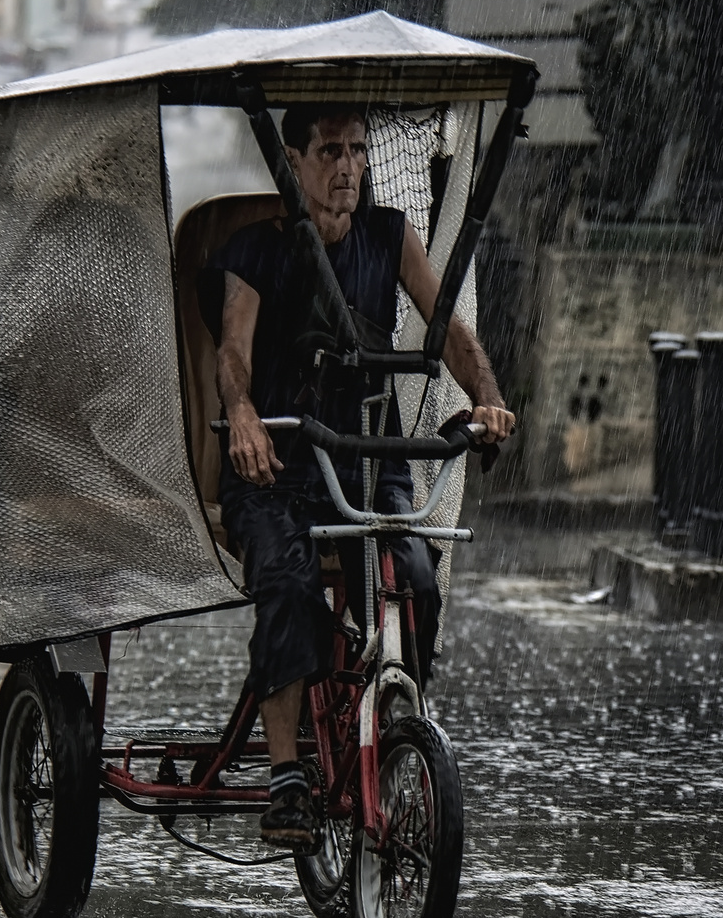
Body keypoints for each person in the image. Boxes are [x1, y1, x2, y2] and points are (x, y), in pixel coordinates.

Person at [211, 105, 514, 849]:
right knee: (285, 584)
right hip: (279, 463)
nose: (346, 167)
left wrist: (489, 397)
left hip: (365, 458)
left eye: (355, 151)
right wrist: (244, 415)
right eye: (329, 151)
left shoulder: (387, 235)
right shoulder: (256, 249)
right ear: (292, 158)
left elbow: (449, 331)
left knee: (415, 574)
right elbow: (232, 355)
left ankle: (390, 715)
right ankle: (286, 775)